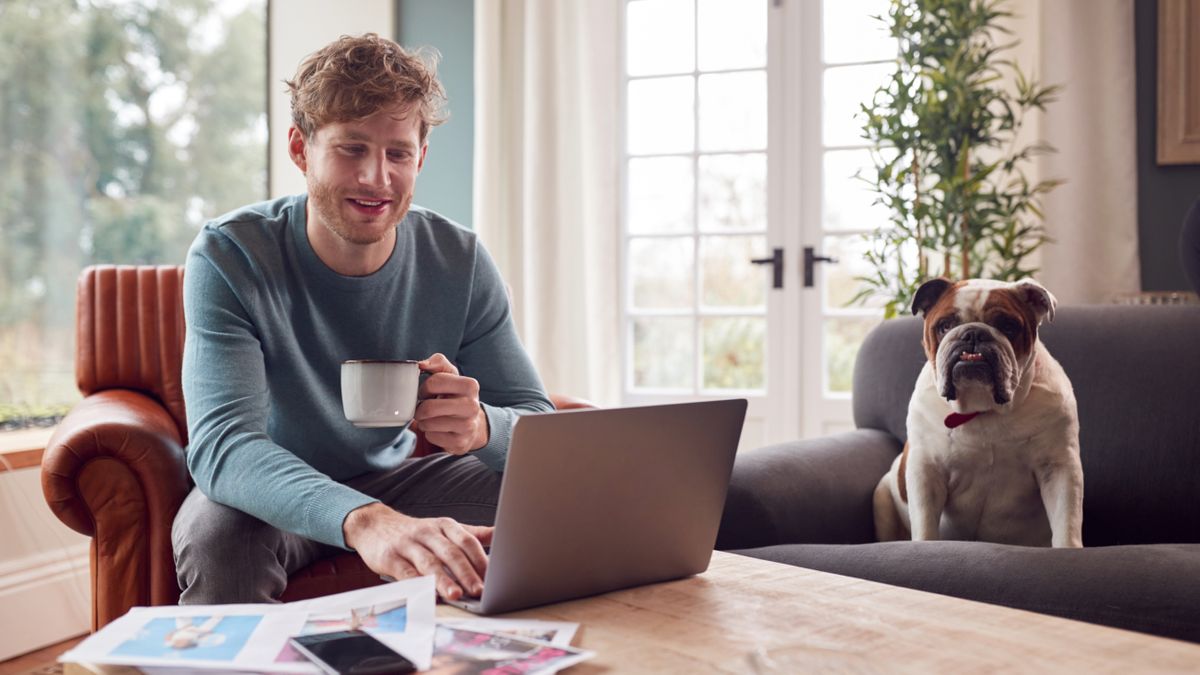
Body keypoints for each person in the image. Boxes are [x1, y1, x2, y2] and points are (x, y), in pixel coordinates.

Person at [172, 33, 553, 605]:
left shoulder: (460, 260)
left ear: (420, 156)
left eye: (398, 153)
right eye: (351, 149)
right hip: (269, 491)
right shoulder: (232, 254)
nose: (377, 178)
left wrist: (480, 427)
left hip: (403, 480)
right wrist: (367, 521)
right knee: (218, 536)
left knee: (575, 499)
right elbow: (225, 446)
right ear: (301, 149)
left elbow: (538, 428)